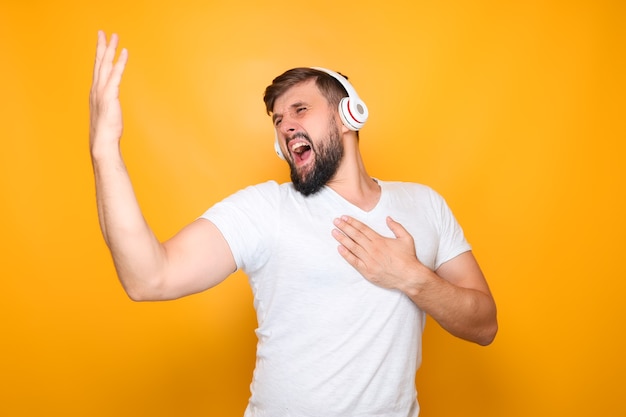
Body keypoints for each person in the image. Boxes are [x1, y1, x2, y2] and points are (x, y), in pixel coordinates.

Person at [90, 31, 497, 417]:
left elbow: (484, 325)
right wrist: (105, 151)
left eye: (300, 109)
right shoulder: (266, 210)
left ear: (348, 115)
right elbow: (149, 278)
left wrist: (412, 278)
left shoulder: (425, 204)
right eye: (277, 119)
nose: (285, 126)